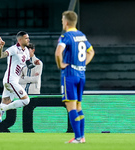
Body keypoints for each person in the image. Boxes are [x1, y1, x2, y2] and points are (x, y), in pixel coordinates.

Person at [0, 31, 40, 133]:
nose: (28, 39)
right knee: (26, 101)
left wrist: (34, 64)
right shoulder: (13, 49)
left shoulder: (26, 51)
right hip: (11, 81)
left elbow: (27, 63)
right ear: (20, 39)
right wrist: (1, 47)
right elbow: (0, 56)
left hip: (13, 81)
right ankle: (2, 109)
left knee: (4, 103)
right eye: (26, 38)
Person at [55, 11, 95, 143]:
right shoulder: (81, 35)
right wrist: (82, 65)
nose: (62, 22)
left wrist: (60, 64)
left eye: (62, 20)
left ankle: (78, 137)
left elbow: (58, 52)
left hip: (70, 75)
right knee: (78, 106)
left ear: (66, 22)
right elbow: (91, 52)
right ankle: (82, 137)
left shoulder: (66, 36)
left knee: (71, 106)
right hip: (81, 75)